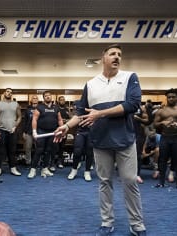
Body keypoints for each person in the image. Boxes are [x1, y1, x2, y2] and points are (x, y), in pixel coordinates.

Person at [54, 44, 146, 236]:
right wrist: (66, 126)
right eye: (112, 54)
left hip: (125, 140)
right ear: (103, 57)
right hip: (101, 141)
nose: (117, 57)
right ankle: (107, 222)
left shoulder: (130, 77)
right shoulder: (91, 84)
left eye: (120, 54)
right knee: (104, 182)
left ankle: (136, 224)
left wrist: (99, 114)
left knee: (130, 181)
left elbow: (132, 104)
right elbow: (80, 113)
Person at [153, 88, 177, 191]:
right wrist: (162, 123)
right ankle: (161, 182)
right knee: (162, 160)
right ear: (166, 98)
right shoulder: (161, 111)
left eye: (173, 97)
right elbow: (155, 124)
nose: (171, 99)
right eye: (169, 97)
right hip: (165, 137)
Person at [27, 91, 63, 178]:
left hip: (52, 132)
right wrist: (34, 131)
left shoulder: (56, 108)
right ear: (43, 98)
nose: (47, 97)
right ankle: (33, 169)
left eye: (49, 95)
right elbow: (34, 119)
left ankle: (45, 168)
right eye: (45, 96)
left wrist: (62, 130)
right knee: (39, 150)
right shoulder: (40, 107)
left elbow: (60, 120)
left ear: (51, 97)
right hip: (41, 132)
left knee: (48, 151)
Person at [0, 88, 22, 177]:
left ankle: (13, 168)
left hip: (12, 130)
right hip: (1, 129)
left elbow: (20, 117)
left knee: (12, 151)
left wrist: (15, 126)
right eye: (7, 91)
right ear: (4, 93)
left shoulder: (16, 104)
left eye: (11, 92)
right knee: (0, 151)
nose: (9, 93)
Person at [22, 95, 39, 165]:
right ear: (31, 100)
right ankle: (28, 162)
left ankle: (37, 162)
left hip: (38, 132)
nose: (35, 99)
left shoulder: (40, 108)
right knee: (28, 148)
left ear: (38, 100)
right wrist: (24, 132)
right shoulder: (28, 109)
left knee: (38, 148)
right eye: (33, 98)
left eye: (36, 98)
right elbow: (25, 121)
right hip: (29, 132)